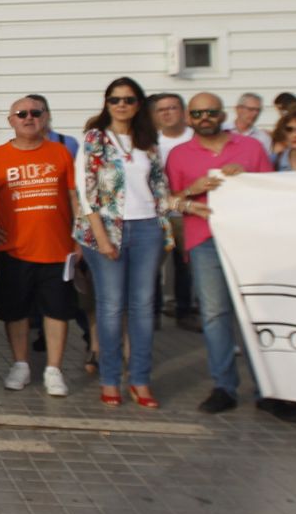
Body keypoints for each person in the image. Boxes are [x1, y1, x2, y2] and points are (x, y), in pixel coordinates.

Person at [162, 92, 283, 418]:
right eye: (197, 113)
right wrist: (193, 191)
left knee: (255, 314)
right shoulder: (179, 154)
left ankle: (268, 388)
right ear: (189, 117)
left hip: (248, 240)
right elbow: (168, 201)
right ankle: (224, 387)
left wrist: (246, 180)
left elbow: (273, 193)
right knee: (215, 315)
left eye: (211, 112)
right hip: (205, 240)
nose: (204, 118)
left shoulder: (251, 148)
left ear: (222, 114)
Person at [76, 77, 171, 409]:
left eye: (128, 100)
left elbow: (160, 188)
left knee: (143, 307)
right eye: (115, 99)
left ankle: (140, 379)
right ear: (107, 103)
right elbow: (86, 192)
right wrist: (102, 238)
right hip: (107, 229)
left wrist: (169, 225)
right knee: (111, 307)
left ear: (138, 104)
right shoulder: (95, 139)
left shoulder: (148, 141)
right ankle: (110, 379)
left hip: (147, 228)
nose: (121, 105)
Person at [0, 97, 79, 397]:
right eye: (21, 113)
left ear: (46, 117)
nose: (29, 118)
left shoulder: (61, 153)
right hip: (13, 249)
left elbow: (74, 198)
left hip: (57, 248)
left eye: (35, 113)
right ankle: (20, 364)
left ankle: (54, 369)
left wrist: (80, 237)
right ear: (11, 120)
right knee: (15, 311)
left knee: (57, 311)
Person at [149, 92, 196, 331]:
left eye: (172, 108)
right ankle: (153, 314)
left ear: (184, 112)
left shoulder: (195, 138)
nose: (167, 113)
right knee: (152, 266)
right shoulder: (150, 142)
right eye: (162, 109)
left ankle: (184, 311)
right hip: (158, 212)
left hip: (188, 212)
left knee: (185, 265)